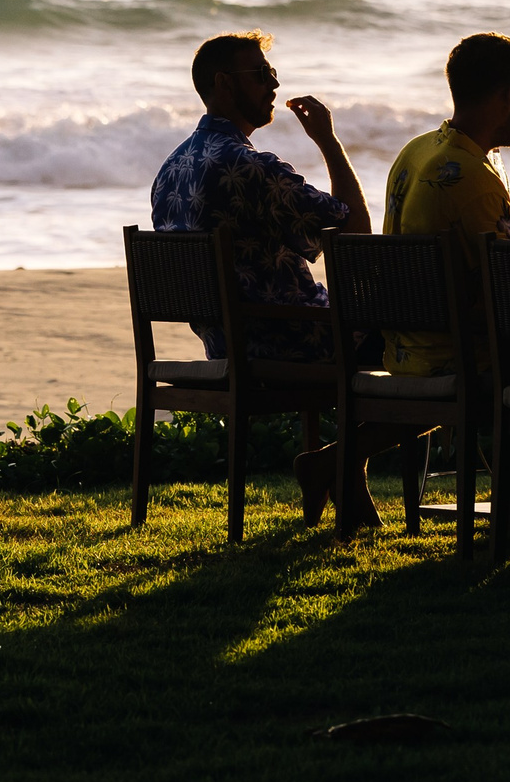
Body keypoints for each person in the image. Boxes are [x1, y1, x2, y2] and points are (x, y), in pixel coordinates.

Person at [150, 29, 402, 526]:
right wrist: (328, 140)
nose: (274, 82)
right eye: (261, 74)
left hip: (224, 340)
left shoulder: (171, 167)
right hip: (286, 338)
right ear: (224, 83)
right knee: (423, 346)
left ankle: (346, 482)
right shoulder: (248, 165)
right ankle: (332, 463)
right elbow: (352, 229)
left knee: (373, 327)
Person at [379, 32, 510, 374]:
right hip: (458, 355)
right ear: (509, 96)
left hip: (402, 350)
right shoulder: (474, 178)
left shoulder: (416, 149)